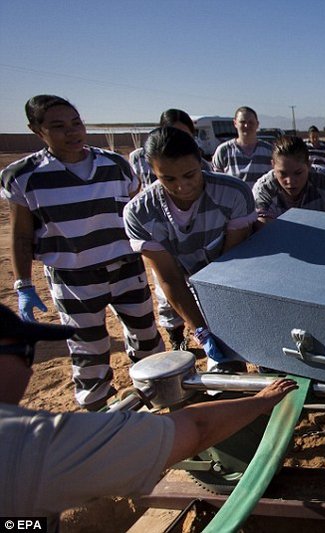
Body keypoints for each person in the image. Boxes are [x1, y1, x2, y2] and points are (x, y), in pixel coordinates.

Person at [0, 303, 298, 525]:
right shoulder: (30, 444)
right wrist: (262, 400)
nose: (30, 366)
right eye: (25, 352)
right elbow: (196, 428)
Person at [1, 95, 164, 410]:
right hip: (74, 279)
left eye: (76, 123)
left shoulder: (116, 165)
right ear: (37, 130)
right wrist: (23, 284)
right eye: (58, 126)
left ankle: (156, 403)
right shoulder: (23, 176)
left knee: (146, 338)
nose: (72, 132)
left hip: (127, 268)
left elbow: (138, 214)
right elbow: (21, 234)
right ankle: (100, 416)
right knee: (88, 350)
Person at [124, 127, 257, 372]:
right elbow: (170, 279)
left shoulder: (233, 193)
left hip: (235, 284)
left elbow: (233, 264)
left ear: (200, 160)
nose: (183, 187)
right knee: (225, 371)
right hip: (188, 286)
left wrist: (231, 322)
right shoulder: (140, 213)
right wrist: (201, 330)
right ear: (153, 171)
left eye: (190, 174)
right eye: (169, 179)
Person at [253, 135, 325, 226]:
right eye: (283, 173)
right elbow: (265, 233)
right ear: (273, 165)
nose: (290, 181)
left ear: (309, 164)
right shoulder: (263, 190)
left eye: (298, 173)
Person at [129, 109, 212, 187]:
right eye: (173, 136)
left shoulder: (201, 165)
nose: (179, 141)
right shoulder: (139, 158)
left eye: (185, 137)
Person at [211, 106, 274, 187]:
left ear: (257, 124)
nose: (246, 126)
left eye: (250, 122)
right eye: (242, 122)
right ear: (235, 123)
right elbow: (216, 183)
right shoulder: (223, 151)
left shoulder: (269, 151)